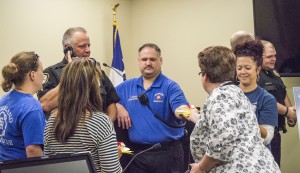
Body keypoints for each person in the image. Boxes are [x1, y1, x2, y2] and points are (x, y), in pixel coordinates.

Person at [189, 46, 280, 173]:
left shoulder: (219, 96)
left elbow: (223, 138)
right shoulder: (236, 93)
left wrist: (201, 168)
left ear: (205, 76)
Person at [116, 43, 189, 173]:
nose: (148, 63)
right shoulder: (125, 87)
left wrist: (187, 113)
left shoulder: (170, 86)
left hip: (167, 155)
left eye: (152, 59)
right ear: (138, 62)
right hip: (136, 155)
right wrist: (118, 105)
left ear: (160, 61)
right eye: (144, 59)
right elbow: (106, 101)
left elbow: (181, 107)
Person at [44, 59, 122, 173]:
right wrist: (115, 156)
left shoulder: (52, 120)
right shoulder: (101, 122)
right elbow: (112, 171)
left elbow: (48, 166)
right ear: (93, 87)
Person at [37, 27, 119, 121]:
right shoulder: (52, 73)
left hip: (98, 131)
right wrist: (71, 74)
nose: (88, 50)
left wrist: (106, 125)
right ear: (67, 48)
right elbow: (45, 105)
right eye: (82, 46)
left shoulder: (97, 71)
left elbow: (111, 103)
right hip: (67, 132)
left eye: (89, 45)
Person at [258, 40, 297, 167]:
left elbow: (282, 92)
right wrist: (287, 111)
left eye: (275, 56)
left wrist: (291, 113)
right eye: (269, 57)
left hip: (276, 131)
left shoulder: (274, 73)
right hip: (263, 133)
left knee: (275, 167)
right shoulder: (256, 76)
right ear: (259, 56)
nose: (274, 59)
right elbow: (266, 101)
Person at [0, 51, 45, 160]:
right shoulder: (32, 108)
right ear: (32, 75)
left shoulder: (4, 99)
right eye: (42, 70)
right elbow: (32, 150)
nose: (43, 75)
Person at [234, 39, 278, 150]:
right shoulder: (229, 94)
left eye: (248, 68)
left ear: (257, 70)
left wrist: (246, 118)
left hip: (257, 158)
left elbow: (267, 137)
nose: (243, 72)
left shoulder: (267, 99)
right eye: (239, 68)